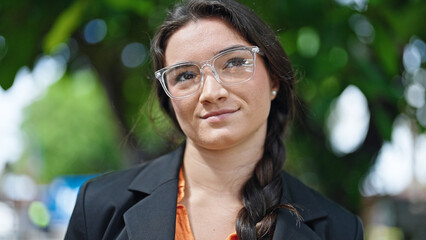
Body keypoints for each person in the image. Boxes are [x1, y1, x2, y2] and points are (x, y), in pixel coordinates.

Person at [65, 0, 364, 239]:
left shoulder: (338, 229)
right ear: (169, 98)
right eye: (185, 75)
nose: (211, 92)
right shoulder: (100, 206)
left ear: (273, 78)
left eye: (234, 62)